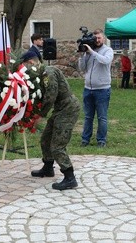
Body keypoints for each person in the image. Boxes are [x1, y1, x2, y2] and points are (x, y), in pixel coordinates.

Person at [24, 51, 81, 191]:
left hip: (68, 109)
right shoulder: (41, 74)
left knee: (57, 145)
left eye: (26, 66)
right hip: (60, 109)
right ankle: (48, 167)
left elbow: (50, 96)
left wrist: (39, 115)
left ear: (31, 62)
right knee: (46, 139)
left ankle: (69, 177)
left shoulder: (47, 73)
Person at [78, 29, 114, 147]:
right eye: (95, 38)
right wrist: (83, 54)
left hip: (102, 89)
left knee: (102, 117)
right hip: (88, 89)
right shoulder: (89, 52)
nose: (97, 40)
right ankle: (85, 139)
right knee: (88, 117)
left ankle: (101, 140)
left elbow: (105, 61)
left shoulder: (108, 50)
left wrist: (92, 52)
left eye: (99, 38)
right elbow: (82, 68)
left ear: (103, 38)